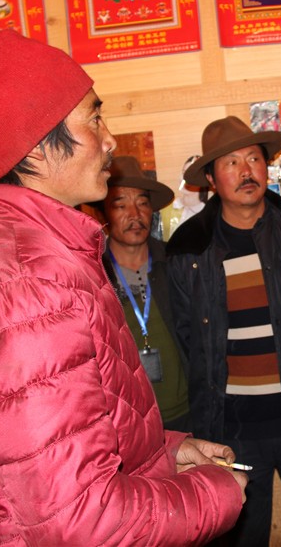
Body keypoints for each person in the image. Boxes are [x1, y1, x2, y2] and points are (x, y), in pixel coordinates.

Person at [0, 29, 246, 545]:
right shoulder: (24, 285)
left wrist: (166, 453)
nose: (110, 139)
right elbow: (79, 520)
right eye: (94, 118)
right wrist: (216, 493)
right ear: (37, 143)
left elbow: (73, 436)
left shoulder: (41, 254)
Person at [167, 116, 281, 546]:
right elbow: (189, 339)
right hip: (233, 431)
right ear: (211, 179)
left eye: (253, 158)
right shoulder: (189, 250)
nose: (246, 170)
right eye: (231, 163)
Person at [100, 156, 191, 431]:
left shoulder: (176, 263)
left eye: (142, 203)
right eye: (120, 205)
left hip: (187, 412)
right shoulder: (93, 274)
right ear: (104, 213)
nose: (134, 214)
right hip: (127, 422)